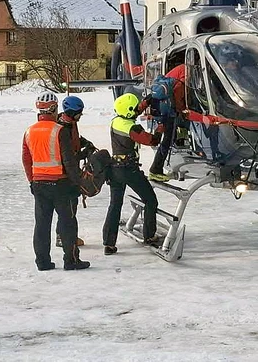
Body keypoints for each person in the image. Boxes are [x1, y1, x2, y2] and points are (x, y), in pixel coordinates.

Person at [22, 92, 98, 271]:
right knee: (67, 223)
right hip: (61, 184)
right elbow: (68, 161)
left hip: (39, 184)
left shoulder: (29, 131)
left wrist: (32, 181)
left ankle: (42, 262)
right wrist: (79, 182)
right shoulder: (59, 131)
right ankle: (71, 261)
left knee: (41, 225)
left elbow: (26, 159)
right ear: (54, 108)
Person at [103, 92, 162, 255]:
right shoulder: (133, 128)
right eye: (135, 108)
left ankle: (109, 243)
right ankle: (149, 235)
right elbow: (152, 140)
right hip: (129, 170)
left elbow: (131, 113)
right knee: (150, 200)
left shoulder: (116, 121)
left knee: (115, 205)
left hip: (114, 169)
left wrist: (145, 103)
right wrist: (160, 129)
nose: (137, 110)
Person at [54, 95, 95, 249]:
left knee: (72, 205)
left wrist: (85, 143)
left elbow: (75, 139)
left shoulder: (71, 123)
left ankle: (68, 235)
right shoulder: (62, 128)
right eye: (79, 113)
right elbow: (67, 157)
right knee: (68, 207)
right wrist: (83, 154)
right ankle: (63, 237)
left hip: (71, 170)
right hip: (65, 173)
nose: (80, 115)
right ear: (71, 112)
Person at [144, 63, 187, 182]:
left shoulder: (173, 75)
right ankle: (155, 170)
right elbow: (178, 95)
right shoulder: (184, 75)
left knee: (165, 140)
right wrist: (181, 111)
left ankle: (158, 167)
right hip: (168, 113)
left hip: (159, 110)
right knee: (166, 141)